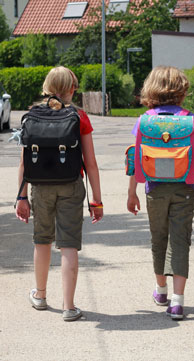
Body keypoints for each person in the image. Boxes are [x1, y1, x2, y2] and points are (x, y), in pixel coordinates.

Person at [15, 66, 103, 322]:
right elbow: (92, 163)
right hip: (71, 185)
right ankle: (69, 306)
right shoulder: (80, 116)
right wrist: (96, 201)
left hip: (39, 187)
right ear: (71, 88)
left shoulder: (32, 115)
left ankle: (40, 296)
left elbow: (24, 162)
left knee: (42, 240)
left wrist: (21, 197)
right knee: (68, 244)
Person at [127, 66, 194, 320]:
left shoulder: (145, 121)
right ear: (181, 91)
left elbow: (135, 159)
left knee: (158, 237)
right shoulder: (189, 120)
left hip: (154, 188)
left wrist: (132, 192)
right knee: (180, 239)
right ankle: (178, 301)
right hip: (184, 188)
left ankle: (161, 291)